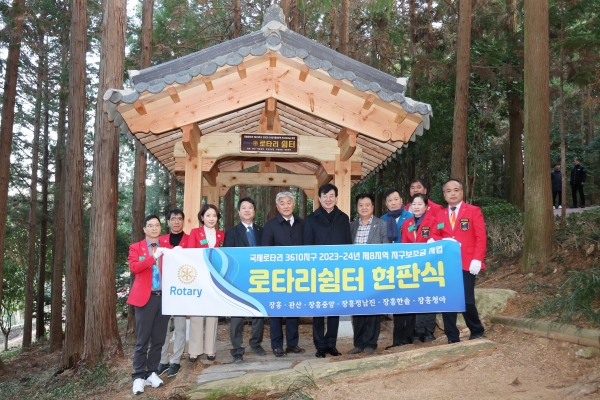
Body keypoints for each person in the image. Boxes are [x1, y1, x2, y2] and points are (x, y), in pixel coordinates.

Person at [430, 179, 486, 344]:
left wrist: (477, 259)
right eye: (448, 191)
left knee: (467, 299)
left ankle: (477, 330)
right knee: (448, 300)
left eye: (456, 190)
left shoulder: (473, 211)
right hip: (446, 263)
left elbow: (480, 237)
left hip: (468, 263)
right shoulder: (439, 214)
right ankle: (452, 336)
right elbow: (435, 234)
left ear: (462, 192)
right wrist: (440, 242)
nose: (452, 193)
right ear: (444, 194)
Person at [304, 183, 352, 358]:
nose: (328, 199)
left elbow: (348, 245)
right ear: (319, 198)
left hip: (338, 271)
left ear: (336, 198)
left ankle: (331, 343)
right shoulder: (311, 219)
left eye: (331, 196)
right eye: (324, 196)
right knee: (319, 309)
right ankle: (320, 345)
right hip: (318, 272)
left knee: (334, 309)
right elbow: (307, 248)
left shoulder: (343, 218)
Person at [127, 215, 171, 395]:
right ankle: (138, 376)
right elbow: (135, 268)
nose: (154, 228)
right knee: (142, 340)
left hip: (165, 298)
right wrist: (153, 257)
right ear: (144, 229)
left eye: (157, 225)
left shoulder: (167, 247)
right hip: (145, 298)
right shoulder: (135, 247)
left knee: (159, 339)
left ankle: (152, 372)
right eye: (150, 226)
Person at [262, 192, 306, 357]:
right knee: (277, 311)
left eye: (289, 202)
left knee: (294, 310)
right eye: (282, 203)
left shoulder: (303, 224)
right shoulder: (270, 225)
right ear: (277, 206)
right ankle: (277, 345)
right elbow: (265, 252)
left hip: (298, 275)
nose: (286, 206)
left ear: (293, 205)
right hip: (278, 276)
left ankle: (292, 344)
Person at [348, 193, 389, 355]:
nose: (364, 208)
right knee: (357, 309)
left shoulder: (382, 225)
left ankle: (371, 343)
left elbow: (386, 249)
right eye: (360, 205)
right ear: (357, 207)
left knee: (373, 308)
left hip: (374, 273)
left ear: (372, 207)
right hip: (355, 274)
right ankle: (358, 343)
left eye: (367, 205)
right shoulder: (351, 226)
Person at [224, 197, 265, 363]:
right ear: (239, 212)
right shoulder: (232, 232)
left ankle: (256, 343)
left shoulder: (262, 231)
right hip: (238, 279)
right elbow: (227, 256)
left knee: (259, 313)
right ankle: (237, 350)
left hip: (259, 278)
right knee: (237, 316)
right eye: (243, 208)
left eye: (250, 208)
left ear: (254, 212)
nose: (247, 210)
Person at [186, 204, 225, 363]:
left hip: (215, 279)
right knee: (196, 314)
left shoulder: (222, 235)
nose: (211, 219)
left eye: (214, 216)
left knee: (212, 314)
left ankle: (210, 349)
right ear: (202, 217)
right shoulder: (195, 233)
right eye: (208, 215)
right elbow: (189, 254)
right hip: (198, 278)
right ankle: (194, 350)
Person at [157, 209, 190, 379]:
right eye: (173, 219)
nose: (176, 221)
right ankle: (162, 360)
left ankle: (175, 360)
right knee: (163, 327)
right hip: (163, 288)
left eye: (179, 219)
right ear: (168, 222)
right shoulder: (160, 240)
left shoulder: (190, 239)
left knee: (180, 326)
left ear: (183, 221)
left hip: (182, 288)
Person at [380, 188, 414, 349]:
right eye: (389, 200)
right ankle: (398, 339)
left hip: (409, 265)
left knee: (410, 300)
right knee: (397, 302)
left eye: (396, 199)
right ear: (386, 204)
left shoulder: (411, 217)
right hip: (390, 266)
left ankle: (409, 337)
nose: (393, 203)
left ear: (401, 200)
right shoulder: (382, 220)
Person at [402, 194, 437, 343]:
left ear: (426, 206)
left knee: (429, 296)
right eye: (413, 204)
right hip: (412, 266)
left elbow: (437, 238)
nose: (416, 207)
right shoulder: (407, 223)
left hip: (429, 265)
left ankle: (428, 330)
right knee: (415, 297)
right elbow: (404, 243)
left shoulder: (433, 221)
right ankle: (417, 329)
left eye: (419, 204)